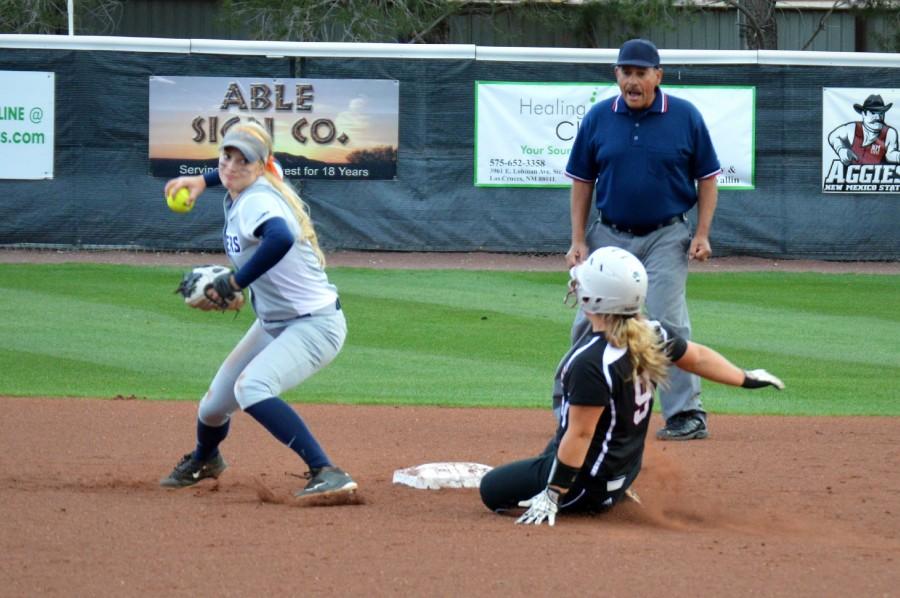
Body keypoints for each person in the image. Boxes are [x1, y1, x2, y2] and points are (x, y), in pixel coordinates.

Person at [480, 247, 784, 526]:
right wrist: (745, 377)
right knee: (562, 442)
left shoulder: (591, 361)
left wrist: (553, 493)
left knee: (491, 488)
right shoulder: (651, 334)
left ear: (594, 300)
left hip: (588, 486)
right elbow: (698, 357)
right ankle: (612, 489)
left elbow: (582, 433)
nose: (576, 285)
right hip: (623, 473)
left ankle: (574, 493)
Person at [160, 120, 358, 501]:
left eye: (243, 161)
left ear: (262, 166)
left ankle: (326, 470)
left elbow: (280, 236)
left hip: (314, 325)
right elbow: (237, 169)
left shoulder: (257, 200)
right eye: (226, 156)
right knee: (214, 406)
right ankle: (206, 459)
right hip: (274, 322)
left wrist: (236, 282)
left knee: (252, 387)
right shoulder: (262, 178)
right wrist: (203, 181)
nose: (232, 166)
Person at [557, 38, 722, 441]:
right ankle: (575, 406)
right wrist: (578, 239)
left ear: (657, 76)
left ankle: (686, 414)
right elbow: (582, 182)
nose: (632, 81)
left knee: (668, 321)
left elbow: (707, 177)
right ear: (616, 75)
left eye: (640, 73)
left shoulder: (684, 116)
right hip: (608, 235)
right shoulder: (599, 117)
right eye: (625, 72)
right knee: (587, 321)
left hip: (667, 234)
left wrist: (701, 233)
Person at [827, 94, 900, 165]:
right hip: (852, 176)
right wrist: (841, 150)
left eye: (881, 113)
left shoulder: (890, 133)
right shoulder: (853, 128)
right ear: (863, 114)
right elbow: (833, 136)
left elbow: (890, 154)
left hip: (878, 176)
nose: (878, 117)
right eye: (873, 113)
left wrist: (898, 156)